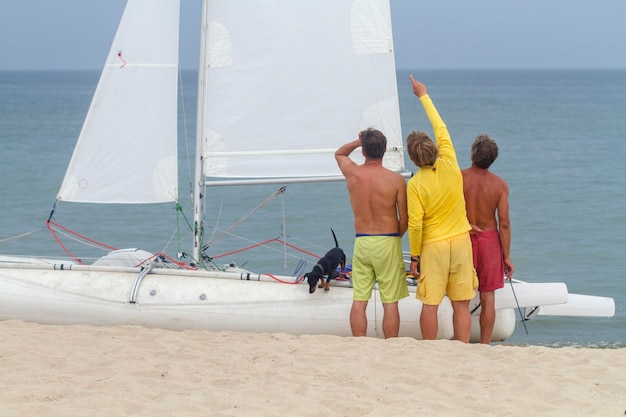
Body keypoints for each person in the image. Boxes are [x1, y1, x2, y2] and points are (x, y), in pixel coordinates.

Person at [405, 75, 477, 343]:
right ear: (434, 148)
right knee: (461, 304)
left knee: (430, 304)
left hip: (433, 247)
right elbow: (441, 126)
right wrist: (423, 95)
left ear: (413, 158)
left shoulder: (415, 185)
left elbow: (415, 224)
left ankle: (430, 351)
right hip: (460, 241)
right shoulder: (449, 160)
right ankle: (462, 348)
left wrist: (414, 257)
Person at [335, 128, 409, 338]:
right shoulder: (395, 180)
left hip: (363, 241)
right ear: (385, 150)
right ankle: (391, 344)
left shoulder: (354, 173)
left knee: (360, 299)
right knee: (390, 301)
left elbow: (340, 154)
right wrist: (395, 238)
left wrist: (358, 142)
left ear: (364, 152)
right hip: (388, 240)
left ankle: (360, 343)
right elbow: (404, 219)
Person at [462, 134, 514, 344]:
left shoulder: (458, 177)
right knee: (488, 296)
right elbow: (504, 223)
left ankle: (461, 341)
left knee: (462, 296)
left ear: (473, 154)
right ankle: (484, 344)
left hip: (464, 238)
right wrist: (507, 257)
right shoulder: (499, 185)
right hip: (490, 241)